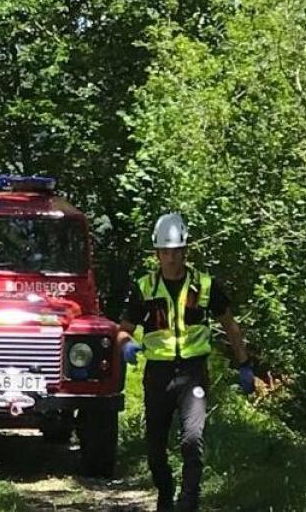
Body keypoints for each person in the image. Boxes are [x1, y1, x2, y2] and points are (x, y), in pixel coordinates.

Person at [117, 212, 254, 512]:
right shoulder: (144, 288)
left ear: (185, 251)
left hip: (193, 373)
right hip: (158, 375)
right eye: (164, 251)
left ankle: (188, 501)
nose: (170, 258)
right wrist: (127, 347)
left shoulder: (204, 285)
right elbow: (122, 331)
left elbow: (230, 325)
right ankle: (165, 492)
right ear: (157, 252)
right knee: (155, 449)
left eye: (176, 251)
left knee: (192, 439)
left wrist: (244, 365)